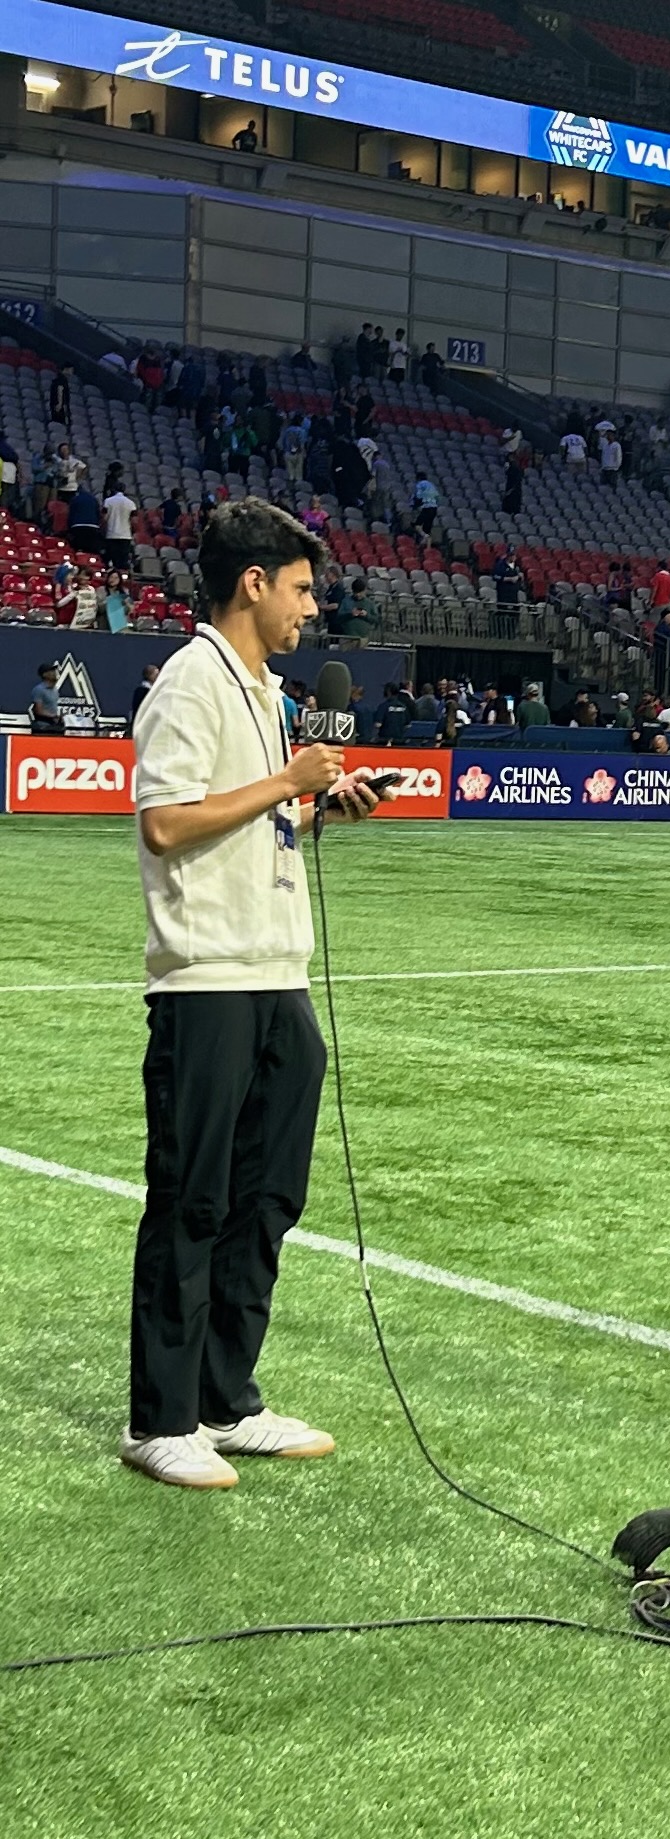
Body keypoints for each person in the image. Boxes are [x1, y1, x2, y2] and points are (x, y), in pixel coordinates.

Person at [123, 500, 388, 1491]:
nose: (311, 608)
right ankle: (159, 1419)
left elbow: (245, 822)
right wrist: (286, 784)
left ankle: (225, 1400)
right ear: (253, 583)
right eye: (302, 588)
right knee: (192, 1197)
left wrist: (317, 810)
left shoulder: (265, 691)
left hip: (279, 973)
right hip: (207, 979)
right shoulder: (191, 680)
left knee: (268, 1197)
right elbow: (165, 825)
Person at [103, 482, 137, 571]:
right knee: (122, 561)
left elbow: (104, 518)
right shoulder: (131, 503)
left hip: (111, 534)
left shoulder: (108, 501)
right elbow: (134, 521)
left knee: (111, 560)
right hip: (125, 535)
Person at [29, 663, 63, 733]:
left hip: (54, 726)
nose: (54, 673)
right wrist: (54, 716)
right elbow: (38, 711)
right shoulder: (39, 689)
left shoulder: (55, 690)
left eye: (54, 671)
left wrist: (58, 718)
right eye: (51, 671)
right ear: (44, 675)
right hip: (42, 726)